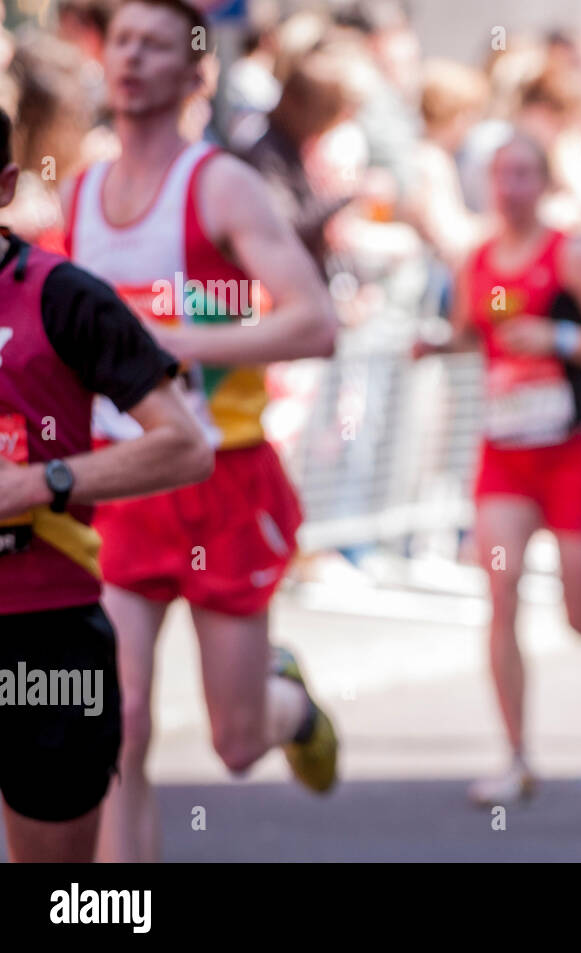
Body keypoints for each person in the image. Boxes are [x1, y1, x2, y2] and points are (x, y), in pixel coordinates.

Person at [61, 0, 339, 862]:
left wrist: (176, 343)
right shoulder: (79, 190)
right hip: (120, 484)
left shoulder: (219, 184)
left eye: (156, 43)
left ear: (195, 72)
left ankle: (286, 700)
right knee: (123, 720)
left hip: (222, 482)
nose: (133, 57)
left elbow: (315, 324)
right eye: (122, 40)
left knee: (235, 742)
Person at [0, 105, 213, 862]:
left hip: (43, 636)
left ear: (5, 188)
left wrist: (38, 483)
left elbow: (186, 446)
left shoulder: (62, 296)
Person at [414, 132, 581, 805]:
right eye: (500, 175)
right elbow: (465, 331)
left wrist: (559, 338)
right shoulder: (475, 262)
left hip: (566, 449)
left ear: (543, 183)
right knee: (501, 586)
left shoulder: (568, 256)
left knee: (578, 617)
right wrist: (432, 345)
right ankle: (515, 756)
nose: (510, 187)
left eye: (523, 174)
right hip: (503, 456)